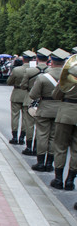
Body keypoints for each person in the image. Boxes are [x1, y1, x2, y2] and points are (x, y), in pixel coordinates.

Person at [29, 48, 65, 172]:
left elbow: (33, 95)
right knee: (54, 137)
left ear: (52, 61)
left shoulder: (43, 77)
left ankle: (40, 162)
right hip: (60, 109)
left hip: (44, 108)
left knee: (42, 135)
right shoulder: (68, 78)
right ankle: (50, 163)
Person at [50, 48, 77, 190]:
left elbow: (56, 95)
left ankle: (58, 179)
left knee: (60, 146)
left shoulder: (67, 74)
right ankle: (71, 180)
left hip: (66, 113)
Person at [21, 50, 47, 155]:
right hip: (44, 101)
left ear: (37, 59)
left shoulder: (30, 71)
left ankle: (28, 147)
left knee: (29, 124)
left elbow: (23, 85)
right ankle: (37, 148)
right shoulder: (50, 72)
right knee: (41, 127)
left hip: (30, 99)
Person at [6, 56, 28, 145]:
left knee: (15, 116)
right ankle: (22, 137)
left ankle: (14, 137)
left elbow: (9, 82)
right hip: (27, 94)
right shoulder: (34, 70)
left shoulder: (16, 70)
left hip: (17, 93)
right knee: (26, 118)